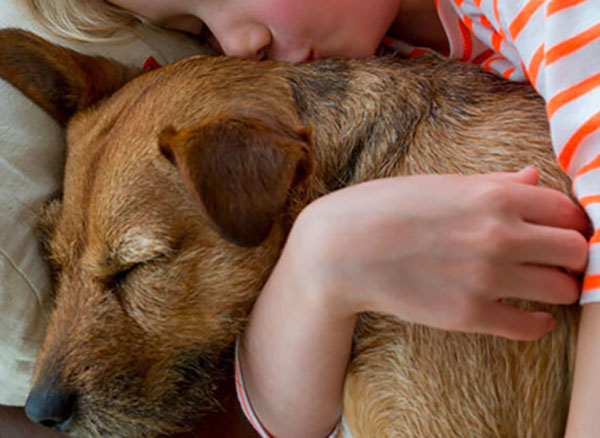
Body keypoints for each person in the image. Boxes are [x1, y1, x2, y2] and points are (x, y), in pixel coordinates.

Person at [15, 0, 600, 437]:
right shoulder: (370, 56)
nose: (235, 43)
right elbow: (285, 420)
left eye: (136, 265)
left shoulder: (558, 19)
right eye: (194, 30)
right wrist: (318, 263)